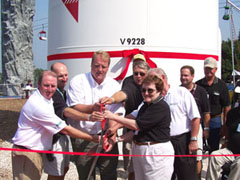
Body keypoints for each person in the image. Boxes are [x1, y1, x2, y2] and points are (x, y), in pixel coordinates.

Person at [11, 70, 100, 180]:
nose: (49, 89)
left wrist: (88, 117)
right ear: (38, 84)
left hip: (34, 152)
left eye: (53, 86)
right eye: (46, 85)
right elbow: (65, 129)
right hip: (26, 153)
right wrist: (92, 138)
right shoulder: (38, 105)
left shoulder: (46, 99)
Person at [66, 50, 125, 180]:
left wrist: (113, 134)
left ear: (108, 68)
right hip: (84, 137)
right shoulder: (78, 81)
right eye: (96, 66)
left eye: (103, 67)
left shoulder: (114, 85)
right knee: (86, 176)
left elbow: (117, 112)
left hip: (106, 137)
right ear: (91, 65)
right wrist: (92, 108)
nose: (100, 69)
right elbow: (74, 107)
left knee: (109, 174)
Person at [104, 75, 175, 180]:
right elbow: (135, 132)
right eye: (143, 90)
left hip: (155, 152)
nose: (146, 93)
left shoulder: (160, 106)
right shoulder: (146, 105)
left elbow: (136, 125)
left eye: (150, 90)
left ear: (159, 91)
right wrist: (117, 139)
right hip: (141, 150)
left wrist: (112, 116)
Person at [43, 62, 104, 180]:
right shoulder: (53, 94)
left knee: (64, 169)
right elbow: (66, 111)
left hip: (63, 136)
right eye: (60, 76)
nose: (64, 78)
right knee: (56, 173)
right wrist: (88, 117)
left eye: (66, 75)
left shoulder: (63, 92)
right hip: (55, 138)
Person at [100, 53, 150, 179]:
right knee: (131, 166)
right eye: (136, 72)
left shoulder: (152, 86)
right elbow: (123, 94)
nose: (138, 75)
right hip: (130, 126)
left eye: (141, 73)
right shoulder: (129, 82)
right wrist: (112, 99)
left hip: (149, 131)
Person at [146, 68, 201, 180]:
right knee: (165, 176)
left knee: (187, 176)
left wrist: (194, 140)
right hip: (163, 143)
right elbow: (136, 114)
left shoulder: (181, 92)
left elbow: (195, 117)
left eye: (153, 79)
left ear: (162, 78)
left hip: (182, 142)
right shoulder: (153, 98)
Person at [180, 65, 211, 179]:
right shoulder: (178, 90)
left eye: (186, 75)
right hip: (182, 129)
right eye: (182, 75)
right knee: (183, 156)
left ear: (192, 76)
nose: (183, 78)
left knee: (197, 157)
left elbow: (206, 112)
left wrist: (206, 129)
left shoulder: (201, 91)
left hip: (197, 128)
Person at [196, 57, 230, 153]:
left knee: (214, 148)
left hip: (215, 120)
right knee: (198, 148)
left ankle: (212, 167)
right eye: (206, 68)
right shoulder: (198, 85)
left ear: (215, 69)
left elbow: (226, 107)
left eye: (211, 69)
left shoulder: (221, 85)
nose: (208, 71)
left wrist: (225, 125)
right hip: (200, 120)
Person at [206, 86, 240, 180]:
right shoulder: (233, 113)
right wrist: (226, 141)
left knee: (239, 164)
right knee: (214, 156)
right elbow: (229, 131)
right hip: (232, 151)